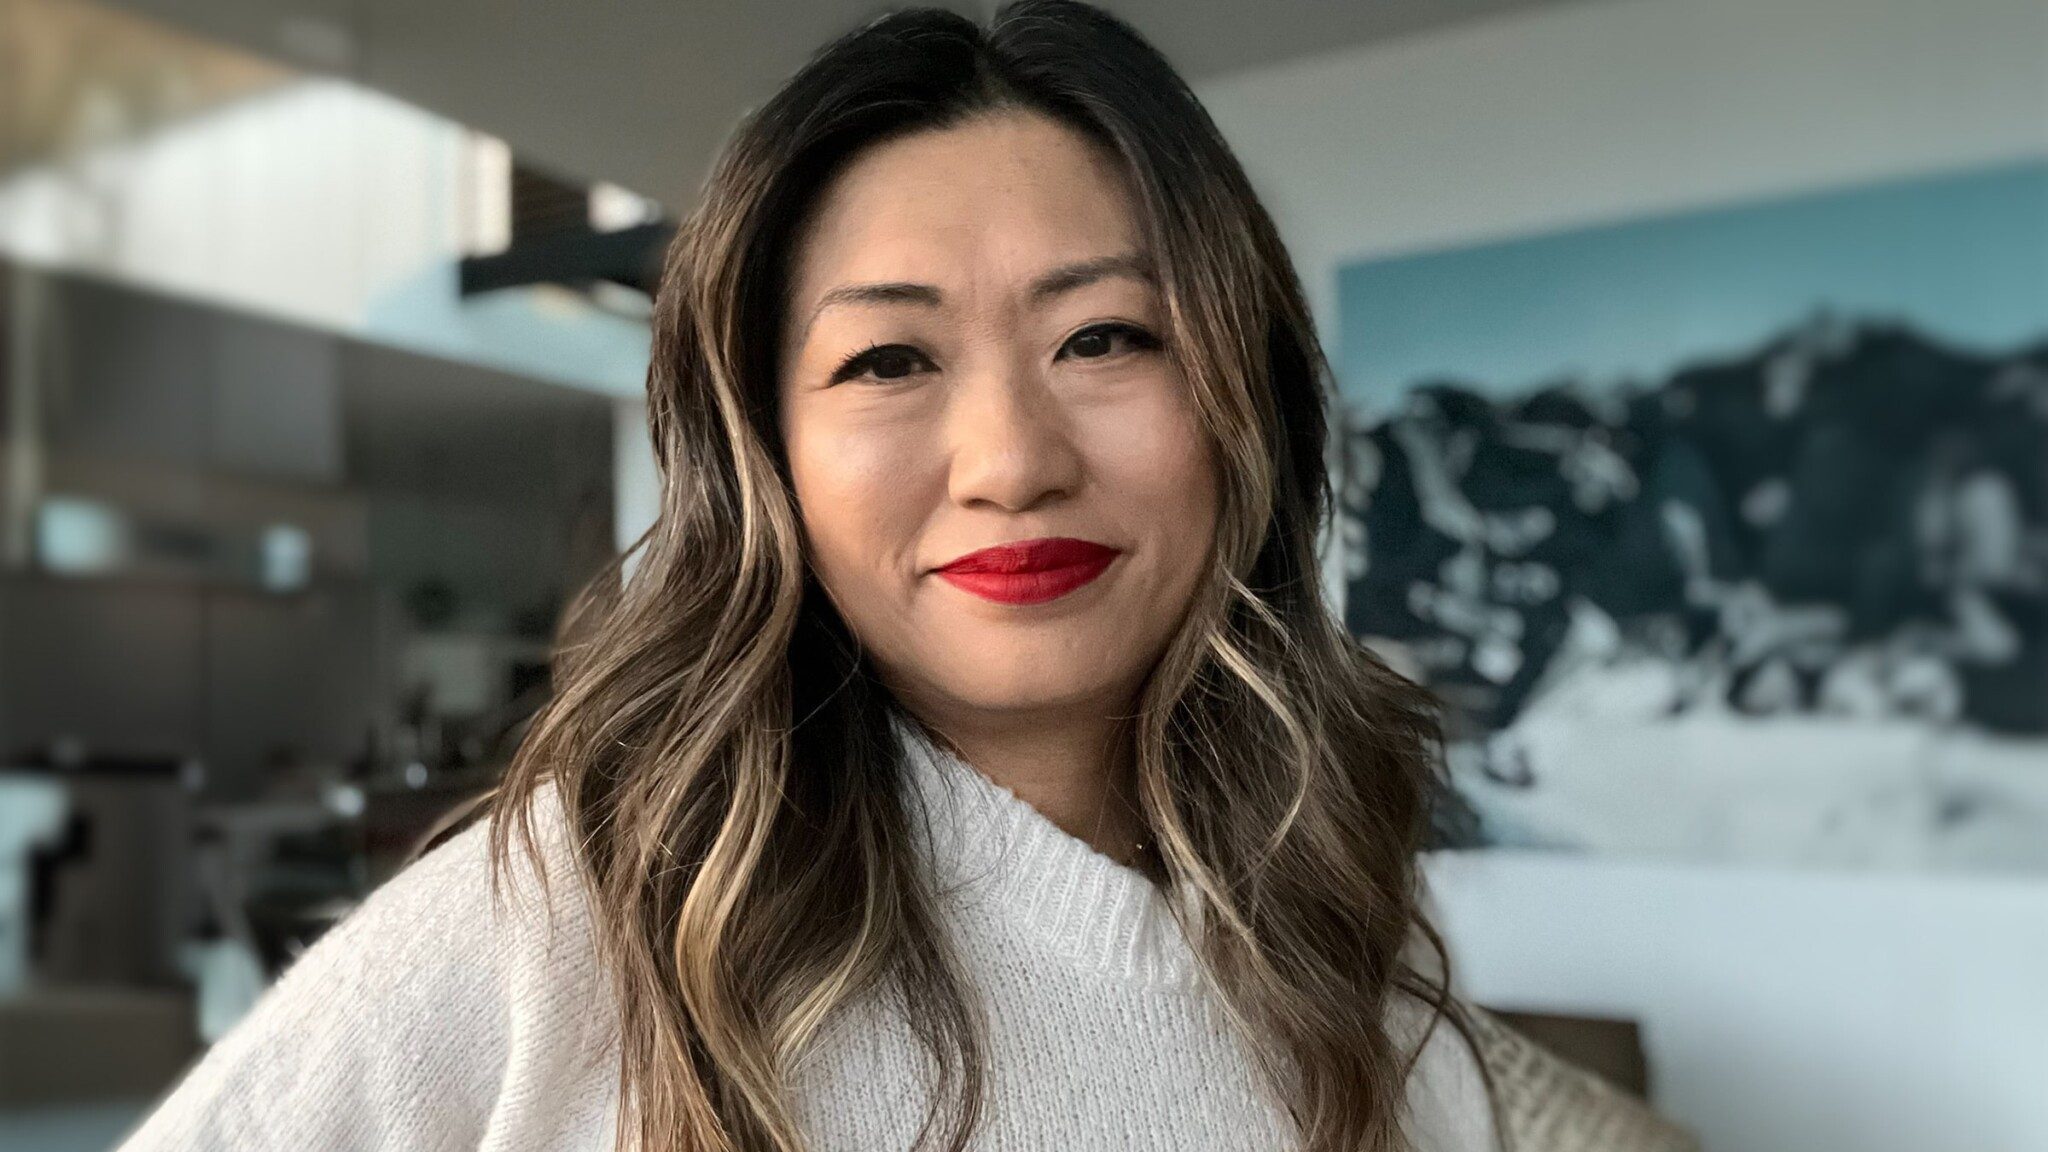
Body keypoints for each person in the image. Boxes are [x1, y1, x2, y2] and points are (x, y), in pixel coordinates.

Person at [116, 3, 1699, 1150]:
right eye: (887, 359)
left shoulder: (1345, 970)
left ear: (1246, 408)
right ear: (766, 458)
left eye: (1105, 337)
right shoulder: (571, 929)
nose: (1010, 459)